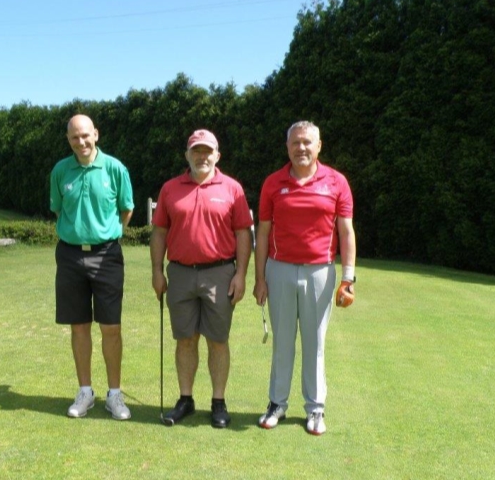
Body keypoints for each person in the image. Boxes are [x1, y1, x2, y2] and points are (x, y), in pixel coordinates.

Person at [252, 120, 356, 436]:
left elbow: (346, 232)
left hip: (320, 271)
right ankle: (277, 404)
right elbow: (264, 233)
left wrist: (348, 278)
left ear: (319, 146)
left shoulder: (336, 182)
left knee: (315, 344)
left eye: (307, 142)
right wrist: (259, 279)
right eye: (296, 142)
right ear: (287, 147)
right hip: (279, 269)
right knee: (283, 343)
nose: (301, 148)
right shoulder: (273, 183)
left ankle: (315, 410)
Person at [150, 129, 253, 428]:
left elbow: (242, 233)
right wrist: (157, 270)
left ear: (217, 155)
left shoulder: (232, 188)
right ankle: (186, 399)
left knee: (218, 341)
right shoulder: (170, 188)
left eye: (208, 151)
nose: (202, 156)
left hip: (220, 273)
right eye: (196, 150)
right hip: (180, 273)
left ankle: (218, 401)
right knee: (185, 340)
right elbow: (159, 232)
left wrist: (242, 274)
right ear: (187, 155)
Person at [49, 114, 134, 421]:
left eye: (85, 135)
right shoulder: (60, 171)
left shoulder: (114, 168)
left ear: (95, 134)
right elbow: (58, 208)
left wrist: (103, 234)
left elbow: (127, 209)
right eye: (74, 137)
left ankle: (114, 394)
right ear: (69, 140)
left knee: (111, 327)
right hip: (70, 256)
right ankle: (85, 391)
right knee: (79, 325)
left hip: (107, 254)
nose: (81, 142)